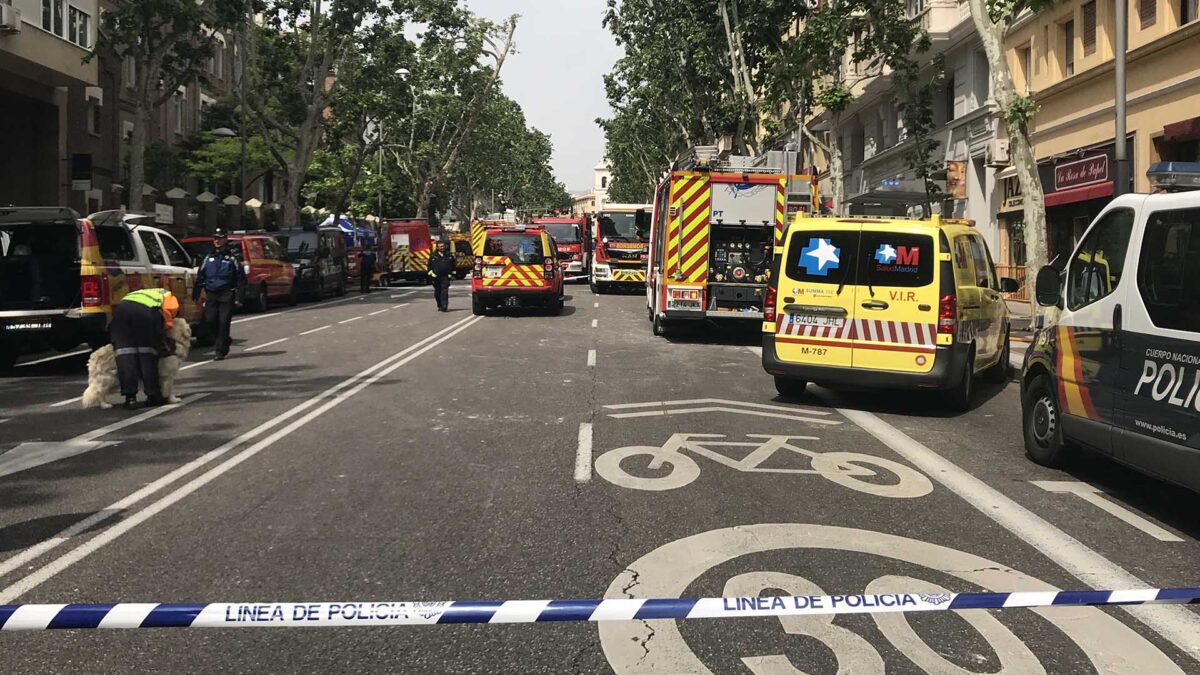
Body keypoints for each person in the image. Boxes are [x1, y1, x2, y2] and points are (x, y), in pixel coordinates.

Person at [111, 287, 180, 410]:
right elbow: (167, 319)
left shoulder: (142, 293)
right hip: (145, 313)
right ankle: (153, 395)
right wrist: (163, 338)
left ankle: (130, 398)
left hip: (121, 310)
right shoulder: (169, 296)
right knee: (147, 353)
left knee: (124, 353)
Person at [193, 229, 244, 360]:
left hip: (227, 293)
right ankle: (224, 340)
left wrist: (239, 297)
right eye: (215, 238)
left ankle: (220, 351)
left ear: (225, 239)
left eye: (220, 238)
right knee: (209, 321)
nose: (217, 240)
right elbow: (201, 275)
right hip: (211, 293)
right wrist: (196, 293)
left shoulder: (233, 256)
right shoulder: (208, 256)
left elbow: (240, 277)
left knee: (223, 322)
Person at [427, 240, 455, 312]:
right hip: (436, 277)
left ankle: (444, 305)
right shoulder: (433, 256)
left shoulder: (449, 255)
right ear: (437, 247)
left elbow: (453, 266)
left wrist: (451, 274)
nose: (442, 247)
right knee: (437, 292)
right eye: (440, 246)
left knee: (444, 291)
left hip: (445, 277)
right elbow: (429, 267)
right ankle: (439, 304)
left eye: (443, 246)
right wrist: (432, 274)